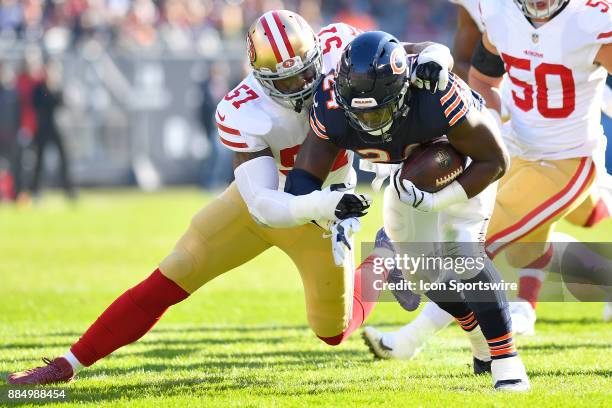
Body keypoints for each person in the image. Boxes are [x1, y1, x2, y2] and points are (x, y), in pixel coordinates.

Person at [7, 10, 449, 385]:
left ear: (320, 51)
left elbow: (417, 51)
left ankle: (384, 260)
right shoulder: (244, 109)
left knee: (332, 332)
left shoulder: (340, 45)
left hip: (327, 210)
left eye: (308, 70)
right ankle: (67, 364)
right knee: (172, 274)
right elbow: (262, 205)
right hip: (276, 203)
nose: (304, 83)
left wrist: (436, 58)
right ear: (261, 77)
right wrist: (320, 204)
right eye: (288, 78)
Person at [364, 0, 612, 359]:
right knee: (524, 249)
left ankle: (409, 340)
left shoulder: (593, 18)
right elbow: (483, 78)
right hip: (515, 148)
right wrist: (493, 118)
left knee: (476, 242)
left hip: (566, 161)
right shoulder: (499, 11)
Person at [285, 30, 529, 391]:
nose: (371, 122)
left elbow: (494, 161)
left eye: (380, 110)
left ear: (401, 91)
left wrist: (436, 202)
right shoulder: (333, 103)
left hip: (464, 161)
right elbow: (302, 181)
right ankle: (480, 340)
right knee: (423, 277)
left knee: (462, 252)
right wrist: (326, 211)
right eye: (361, 113)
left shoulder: (434, 94)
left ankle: (508, 363)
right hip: (406, 180)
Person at [30, 60, 76, 199]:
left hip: (57, 128)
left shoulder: (57, 88)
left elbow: (62, 104)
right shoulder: (39, 89)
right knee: (39, 161)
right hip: (43, 129)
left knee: (64, 160)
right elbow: (38, 104)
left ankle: (69, 191)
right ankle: (36, 191)